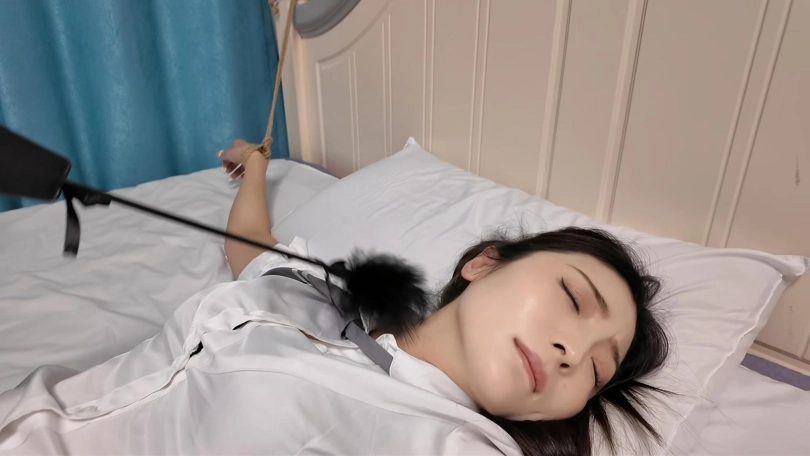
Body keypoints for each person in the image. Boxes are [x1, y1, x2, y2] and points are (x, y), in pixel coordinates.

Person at [0, 141, 669, 456]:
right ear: (484, 262)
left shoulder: (451, 443)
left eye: (595, 370)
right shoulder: (326, 298)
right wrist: (257, 169)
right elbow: (250, 249)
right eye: (572, 299)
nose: (571, 353)